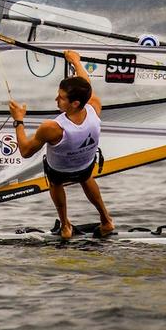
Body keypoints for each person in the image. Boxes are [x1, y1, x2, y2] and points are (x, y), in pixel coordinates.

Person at [9, 49, 114, 240]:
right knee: (86, 177)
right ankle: (106, 220)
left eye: (61, 97)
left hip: (59, 171)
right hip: (85, 165)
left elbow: (25, 151)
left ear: (74, 103)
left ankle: (65, 225)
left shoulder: (52, 128)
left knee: (55, 183)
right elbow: (86, 86)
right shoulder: (94, 107)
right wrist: (76, 61)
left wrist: (18, 121)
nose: (56, 99)